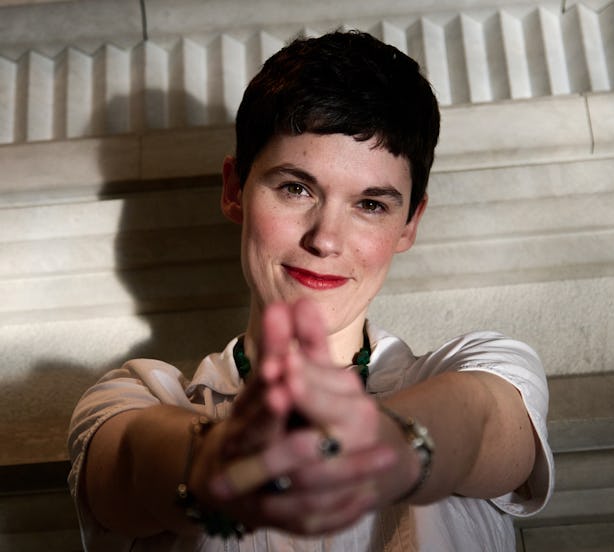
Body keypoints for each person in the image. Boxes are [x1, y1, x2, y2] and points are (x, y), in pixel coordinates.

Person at [68, 30, 553, 551]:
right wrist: (219, 462)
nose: (324, 239)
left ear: (410, 224)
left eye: (371, 205)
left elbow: (479, 421)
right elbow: (130, 462)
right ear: (234, 190)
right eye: (295, 188)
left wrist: (377, 445)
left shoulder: (480, 366)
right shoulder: (139, 396)